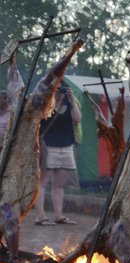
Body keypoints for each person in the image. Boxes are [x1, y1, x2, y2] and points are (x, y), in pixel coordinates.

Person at [34, 81, 80, 226]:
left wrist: (72, 100)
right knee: (42, 182)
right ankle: (40, 216)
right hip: (49, 147)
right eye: (56, 90)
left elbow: (77, 118)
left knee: (59, 184)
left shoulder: (69, 105)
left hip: (66, 146)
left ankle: (58, 215)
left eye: (61, 90)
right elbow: (39, 119)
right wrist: (50, 98)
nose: (59, 93)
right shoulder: (46, 106)